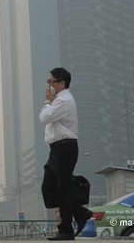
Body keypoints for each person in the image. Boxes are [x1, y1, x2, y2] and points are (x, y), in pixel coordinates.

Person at [39, 67, 92, 241]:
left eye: (51, 82)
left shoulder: (63, 101)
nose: (48, 85)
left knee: (61, 188)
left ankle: (66, 229)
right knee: (49, 188)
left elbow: (44, 118)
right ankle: (80, 212)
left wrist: (47, 102)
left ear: (62, 83)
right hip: (57, 149)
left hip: (65, 148)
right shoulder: (59, 100)